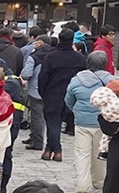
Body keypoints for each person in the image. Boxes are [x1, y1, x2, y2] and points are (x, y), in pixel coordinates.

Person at [64, 51, 113, 193]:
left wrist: (76, 111)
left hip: (82, 121)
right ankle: (99, 181)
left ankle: (82, 185)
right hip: (103, 122)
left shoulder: (77, 79)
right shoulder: (111, 80)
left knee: (81, 153)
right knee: (100, 152)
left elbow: (69, 99)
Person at [35, 31, 86, 162]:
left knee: (53, 123)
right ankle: (49, 149)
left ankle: (56, 150)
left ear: (59, 39)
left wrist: (43, 92)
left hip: (52, 94)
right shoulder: (79, 58)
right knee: (57, 123)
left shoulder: (51, 57)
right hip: (71, 94)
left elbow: (43, 77)